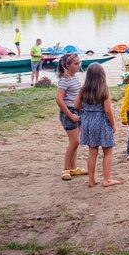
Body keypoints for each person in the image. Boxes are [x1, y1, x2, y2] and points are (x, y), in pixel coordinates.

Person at [75, 63, 121, 187]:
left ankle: (91, 180)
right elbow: (108, 110)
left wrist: (87, 109)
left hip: (88, 121)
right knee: (108, 151)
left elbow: (76, 106)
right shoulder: (104, 90)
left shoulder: (83, 90)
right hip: (101, 121)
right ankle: (106, 180)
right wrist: (113, 124)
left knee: (92, 151)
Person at [55, 53, 88, 181]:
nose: (78, 65)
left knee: (75, 142)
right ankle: (65, 169)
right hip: (69, 113)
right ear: (67, 66)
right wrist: (70, 115)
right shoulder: (65, 80)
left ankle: (74, 168)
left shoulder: (75, 78)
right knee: (74, 142)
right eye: (75, 63)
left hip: (78, 111)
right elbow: (59, 99)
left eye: (79, 63)